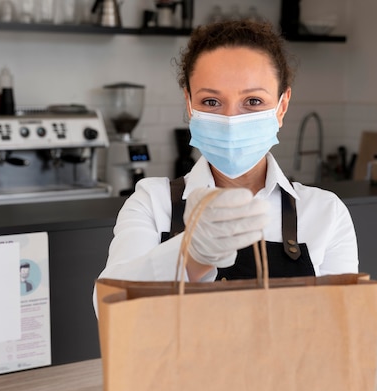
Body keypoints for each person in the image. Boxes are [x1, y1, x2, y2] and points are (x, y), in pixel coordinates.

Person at [97, 20, 358, 286]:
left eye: (253, 101)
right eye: (211, 102)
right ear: (189, 105)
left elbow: (342, 321)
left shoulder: (325, 212)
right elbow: (109, 307)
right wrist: (192, 256)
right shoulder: (152, 203)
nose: (231, 119)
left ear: (281, 107)